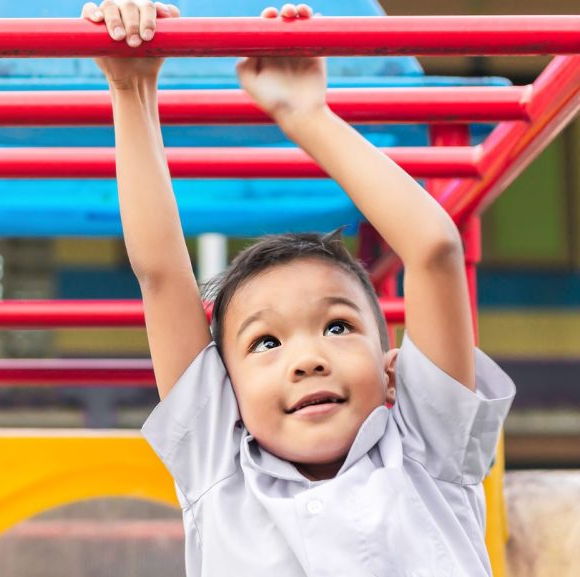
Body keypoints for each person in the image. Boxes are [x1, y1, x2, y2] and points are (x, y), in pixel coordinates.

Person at [81, 1, 516, 575]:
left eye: (339, 326)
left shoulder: (427, 451)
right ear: (225, 392)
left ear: (393, 370)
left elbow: (433, 250)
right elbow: (161, 276)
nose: (308, 359)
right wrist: (131, 90)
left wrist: (307, 114)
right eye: (266, 343)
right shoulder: (219, 467)